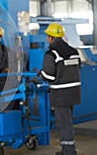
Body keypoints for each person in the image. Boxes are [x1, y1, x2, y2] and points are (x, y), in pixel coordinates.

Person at [39, 23, 81, 155]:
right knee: (67, 121)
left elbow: (48, 75)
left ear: (51, 37)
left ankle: (69, 151)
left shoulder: (52, 53)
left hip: (60, 94)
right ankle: (67, 149)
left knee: (64, 123)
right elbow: (77, 69)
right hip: (74, 92)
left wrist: (39, 75)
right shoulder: (74, 51)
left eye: (47, 36)